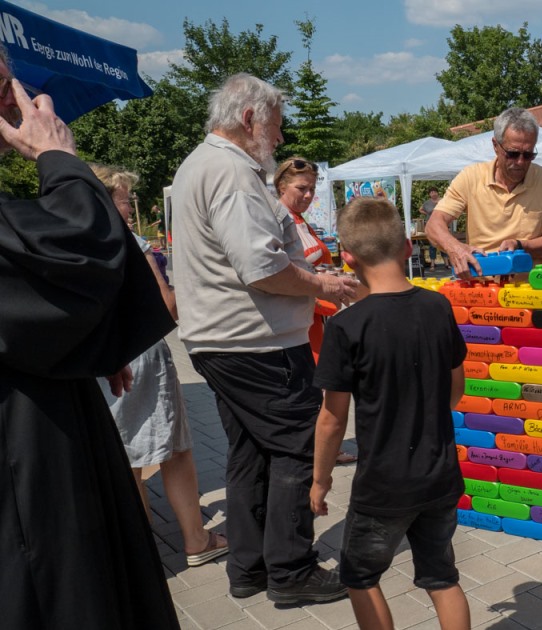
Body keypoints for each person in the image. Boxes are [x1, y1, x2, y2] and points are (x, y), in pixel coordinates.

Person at [0, 57, 180, 627]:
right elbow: (79, 250)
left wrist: (83, 341)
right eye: (6, 89)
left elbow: (34, 302)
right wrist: (58, 157)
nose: (19, 102)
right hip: (29, 456)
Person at [172, 73, 358, 605]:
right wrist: (322, 283)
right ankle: (291, 571)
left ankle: (249, 566)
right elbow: (260, 266)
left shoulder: (202, 166)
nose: (278, 140)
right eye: (275, 128)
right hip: (255, 342)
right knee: (296, 449)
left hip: (224, 340)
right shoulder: (230, 171)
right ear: (250, 119)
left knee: (250, 453)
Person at [311, 197, 469, 630]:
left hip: (383, 483)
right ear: (407, 247)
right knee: (442, 577)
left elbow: (331, 419)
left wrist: (320, 479)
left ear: (347, 257)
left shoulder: (346, 327)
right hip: (439, 473)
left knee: (359, 576)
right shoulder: (438, 307)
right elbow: (456, 389)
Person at [91, 163, 229, 567]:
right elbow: (165, 307)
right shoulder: (130, 242)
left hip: (102, 355)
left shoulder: (73, 240)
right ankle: (195, 539)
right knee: (176, 449)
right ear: (106, 200)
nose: (130, 209)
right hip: (141, 353)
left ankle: (141, 549)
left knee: (126, 453)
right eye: (124, 200)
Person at [274, 156, 360, 465]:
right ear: (281, 185)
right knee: (317, 386)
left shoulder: (298, 218)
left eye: (312, 189)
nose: (309, 196)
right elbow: (286, 269)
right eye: (302, 188)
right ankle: (319, 449)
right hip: (300, 316)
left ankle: (321, 447)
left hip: (313, 316)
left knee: (318, 384)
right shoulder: (280, 218)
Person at [426, 107, 542, 278]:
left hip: (529, 293)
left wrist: (520, 245)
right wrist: (455, 248)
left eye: (528, 155)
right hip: (481, 291)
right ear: (495, 146)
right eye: (513, 154)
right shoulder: (471, 177)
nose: (520, 162)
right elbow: (433, 225)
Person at [419, 188, 445, 266]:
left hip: (442, 223)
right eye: (431, 192)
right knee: (432, 244)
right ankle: (432, 264)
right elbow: (420, 209)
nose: (433, 194)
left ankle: (446, 263)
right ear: (429, 194)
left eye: (434, 192)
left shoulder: (443, 200)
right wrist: (427, 214)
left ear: (437, 193)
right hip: (431, 224)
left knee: (443, 243)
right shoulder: (427, 203)